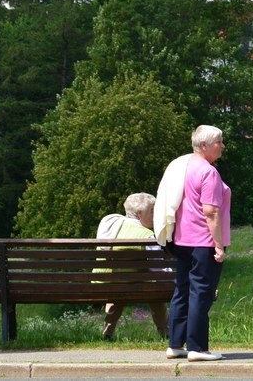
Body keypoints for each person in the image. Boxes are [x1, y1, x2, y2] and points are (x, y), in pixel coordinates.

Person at [155, 125, 231, 362]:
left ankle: (176, 344)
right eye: (219, 141)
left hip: (181, 240)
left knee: (183, 290)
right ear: (205, 145)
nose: (222, 146)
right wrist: (218, 245)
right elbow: (211, 212)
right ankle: (198, 348)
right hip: (203, 242)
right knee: (202, 292)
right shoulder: (208, 172)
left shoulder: (182, 167)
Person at [96, 192, 168, 340]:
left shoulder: (111, 227)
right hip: (131, 283)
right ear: (140, 214)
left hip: (105, 283)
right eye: (152, 211)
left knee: (120, 289)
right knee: (155, 291)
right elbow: (158, 269)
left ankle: (107, 334)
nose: (155, 215)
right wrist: (176, 280)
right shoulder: (146, 236)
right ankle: (166, 334)